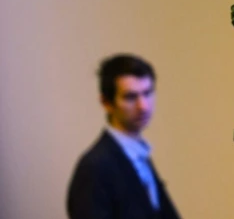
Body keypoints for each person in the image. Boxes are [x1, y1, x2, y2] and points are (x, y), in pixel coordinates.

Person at [67, 54, 181, 219]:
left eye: (147, 93)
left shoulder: (139, 155)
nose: (143, 106)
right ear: (106, 103)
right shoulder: (94, 167)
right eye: (130, 97)